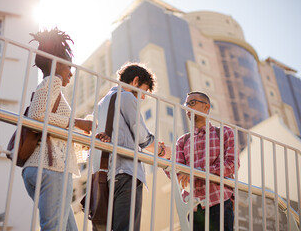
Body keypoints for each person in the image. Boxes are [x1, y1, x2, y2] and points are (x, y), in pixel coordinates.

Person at [22, 28, 92, 231]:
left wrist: (85, 134)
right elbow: (37, 116)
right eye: (69, 66)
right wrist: (77, 122)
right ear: (58, 64)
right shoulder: (53, 81)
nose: (71, 72)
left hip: (40, 167)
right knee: (53, 228)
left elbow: (53, 126)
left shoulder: (49, 86)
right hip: (51, 167)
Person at [159, 91, 239, 231]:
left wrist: (197, 172)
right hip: (193, 208)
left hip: (219, 201)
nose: (187, 108)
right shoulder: (182, 142)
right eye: (186, 104)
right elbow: (177, 177)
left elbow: (231, 165)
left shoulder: (225, 133)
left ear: (206, 107)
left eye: (192, 103)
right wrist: (164, 158)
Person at [92, 62, 157, 231]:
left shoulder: (101, 104)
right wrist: (163, 150)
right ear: (135, 81)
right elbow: (142, 137)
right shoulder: (127, 97)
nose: (142, 98)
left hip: (104, 177)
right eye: (144, 91)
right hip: (125, 173)